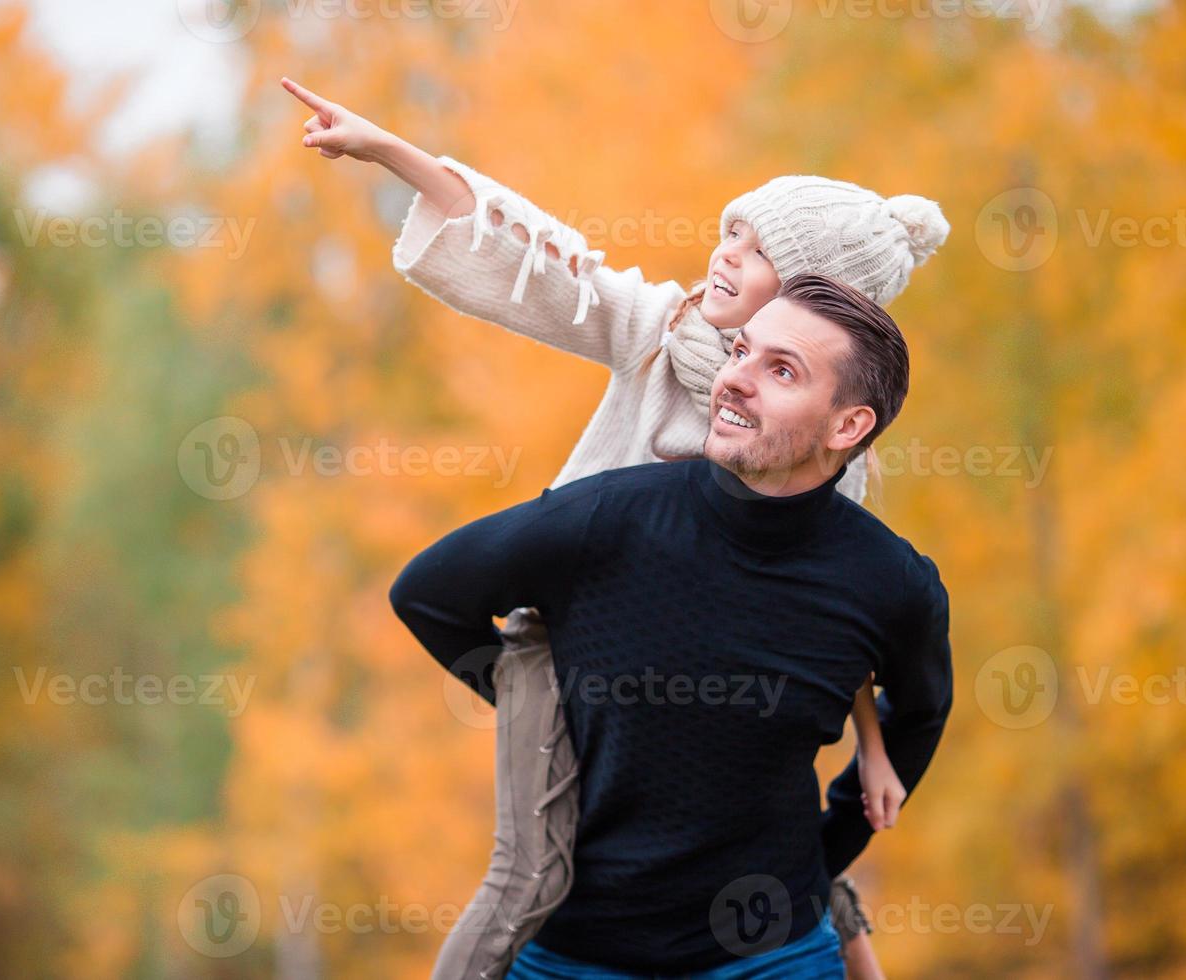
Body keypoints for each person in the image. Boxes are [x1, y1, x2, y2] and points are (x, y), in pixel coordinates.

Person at [281, 76, 948, 978]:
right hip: (571, 642)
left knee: (773, 809)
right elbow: (537, 258)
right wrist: (393, 152)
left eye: (756, 256)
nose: (725, 257)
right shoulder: (655, 330)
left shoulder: (836, 468)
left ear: (824, 310)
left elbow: (834, 629)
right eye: (731, 231)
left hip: (726, 679)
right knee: (528, 874)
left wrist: (871, 747)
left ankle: (829, 921)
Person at [390, 274, 954, 977]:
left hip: (774, 954)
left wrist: (826, 850)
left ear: (848, 426)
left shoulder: (890, 582)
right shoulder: (603, 520)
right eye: (741, 352)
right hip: (576, 954)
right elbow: (428, 594)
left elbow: (922, 711)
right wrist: (544, 709)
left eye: (780, 370)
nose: (736, 379)